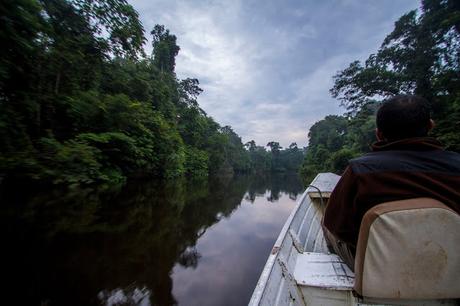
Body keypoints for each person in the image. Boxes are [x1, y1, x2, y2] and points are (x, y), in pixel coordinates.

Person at [322, 94, 460, 271]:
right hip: (449, 268)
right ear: (431, 126)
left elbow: (337, 226)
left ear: (379, 134)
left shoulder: (360, 170)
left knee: (326, 223)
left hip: (378, 269)